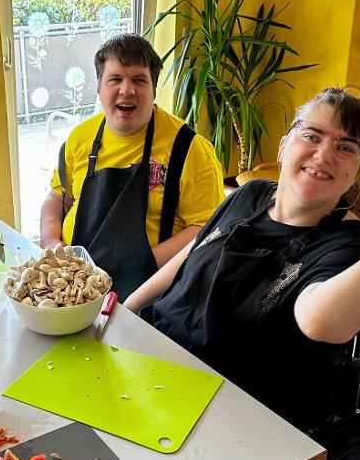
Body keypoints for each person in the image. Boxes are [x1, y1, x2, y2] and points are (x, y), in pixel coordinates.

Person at [125, 88, 360, 429]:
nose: (323, 155)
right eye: (312, 136)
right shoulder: (249, 193)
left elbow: (319, 320)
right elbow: (190, 255)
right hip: (160, 366)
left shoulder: (350, 244)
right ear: (283, 146)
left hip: (233, 413)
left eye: (345, 147)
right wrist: (122, 315)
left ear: (357, 169)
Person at [39, 34, 225, 299]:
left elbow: (207, 229)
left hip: (147, 290)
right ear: (99, 88)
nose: (127, 90)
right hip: (72, 286)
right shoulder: (80, 138)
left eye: (139, 79)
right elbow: (58, 195)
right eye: (115, 79)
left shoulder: (190, 150)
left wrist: (141, 266)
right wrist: (51, 244)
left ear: (154, 89)